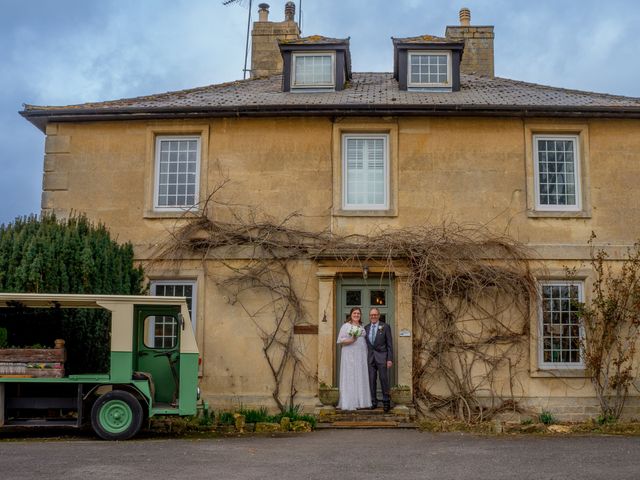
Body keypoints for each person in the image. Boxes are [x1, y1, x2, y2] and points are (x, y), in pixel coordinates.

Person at [336, 307, 372, 410]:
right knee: (350, 375)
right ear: (351, 314)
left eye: (358, 313)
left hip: (361, 354)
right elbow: (341, 341)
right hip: (349, 354)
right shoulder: (345, 326)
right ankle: (349, 402)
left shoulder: (362, 326)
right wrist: (351, 340)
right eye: (354, 313)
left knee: (360, 375)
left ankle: (362, 401)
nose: (356, 315)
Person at [364, 307, 393, 412]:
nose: (373, 316)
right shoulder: (366, 328)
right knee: (371, 380)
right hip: (370, 358)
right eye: (371, 315)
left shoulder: (385, 327)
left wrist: (389, 359)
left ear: (379, 316)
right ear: (369, 316)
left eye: (375, 315)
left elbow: (390, 345)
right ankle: (373, 401)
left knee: (383, 379)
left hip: (382, 357)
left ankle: (386, 401)